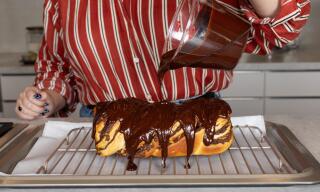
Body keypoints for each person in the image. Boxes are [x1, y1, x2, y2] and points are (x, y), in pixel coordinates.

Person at [16, 0, 310, 120]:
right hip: (104, 127)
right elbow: (58, 67)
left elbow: (278, 26)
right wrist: (47, 99)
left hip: (198, 119)